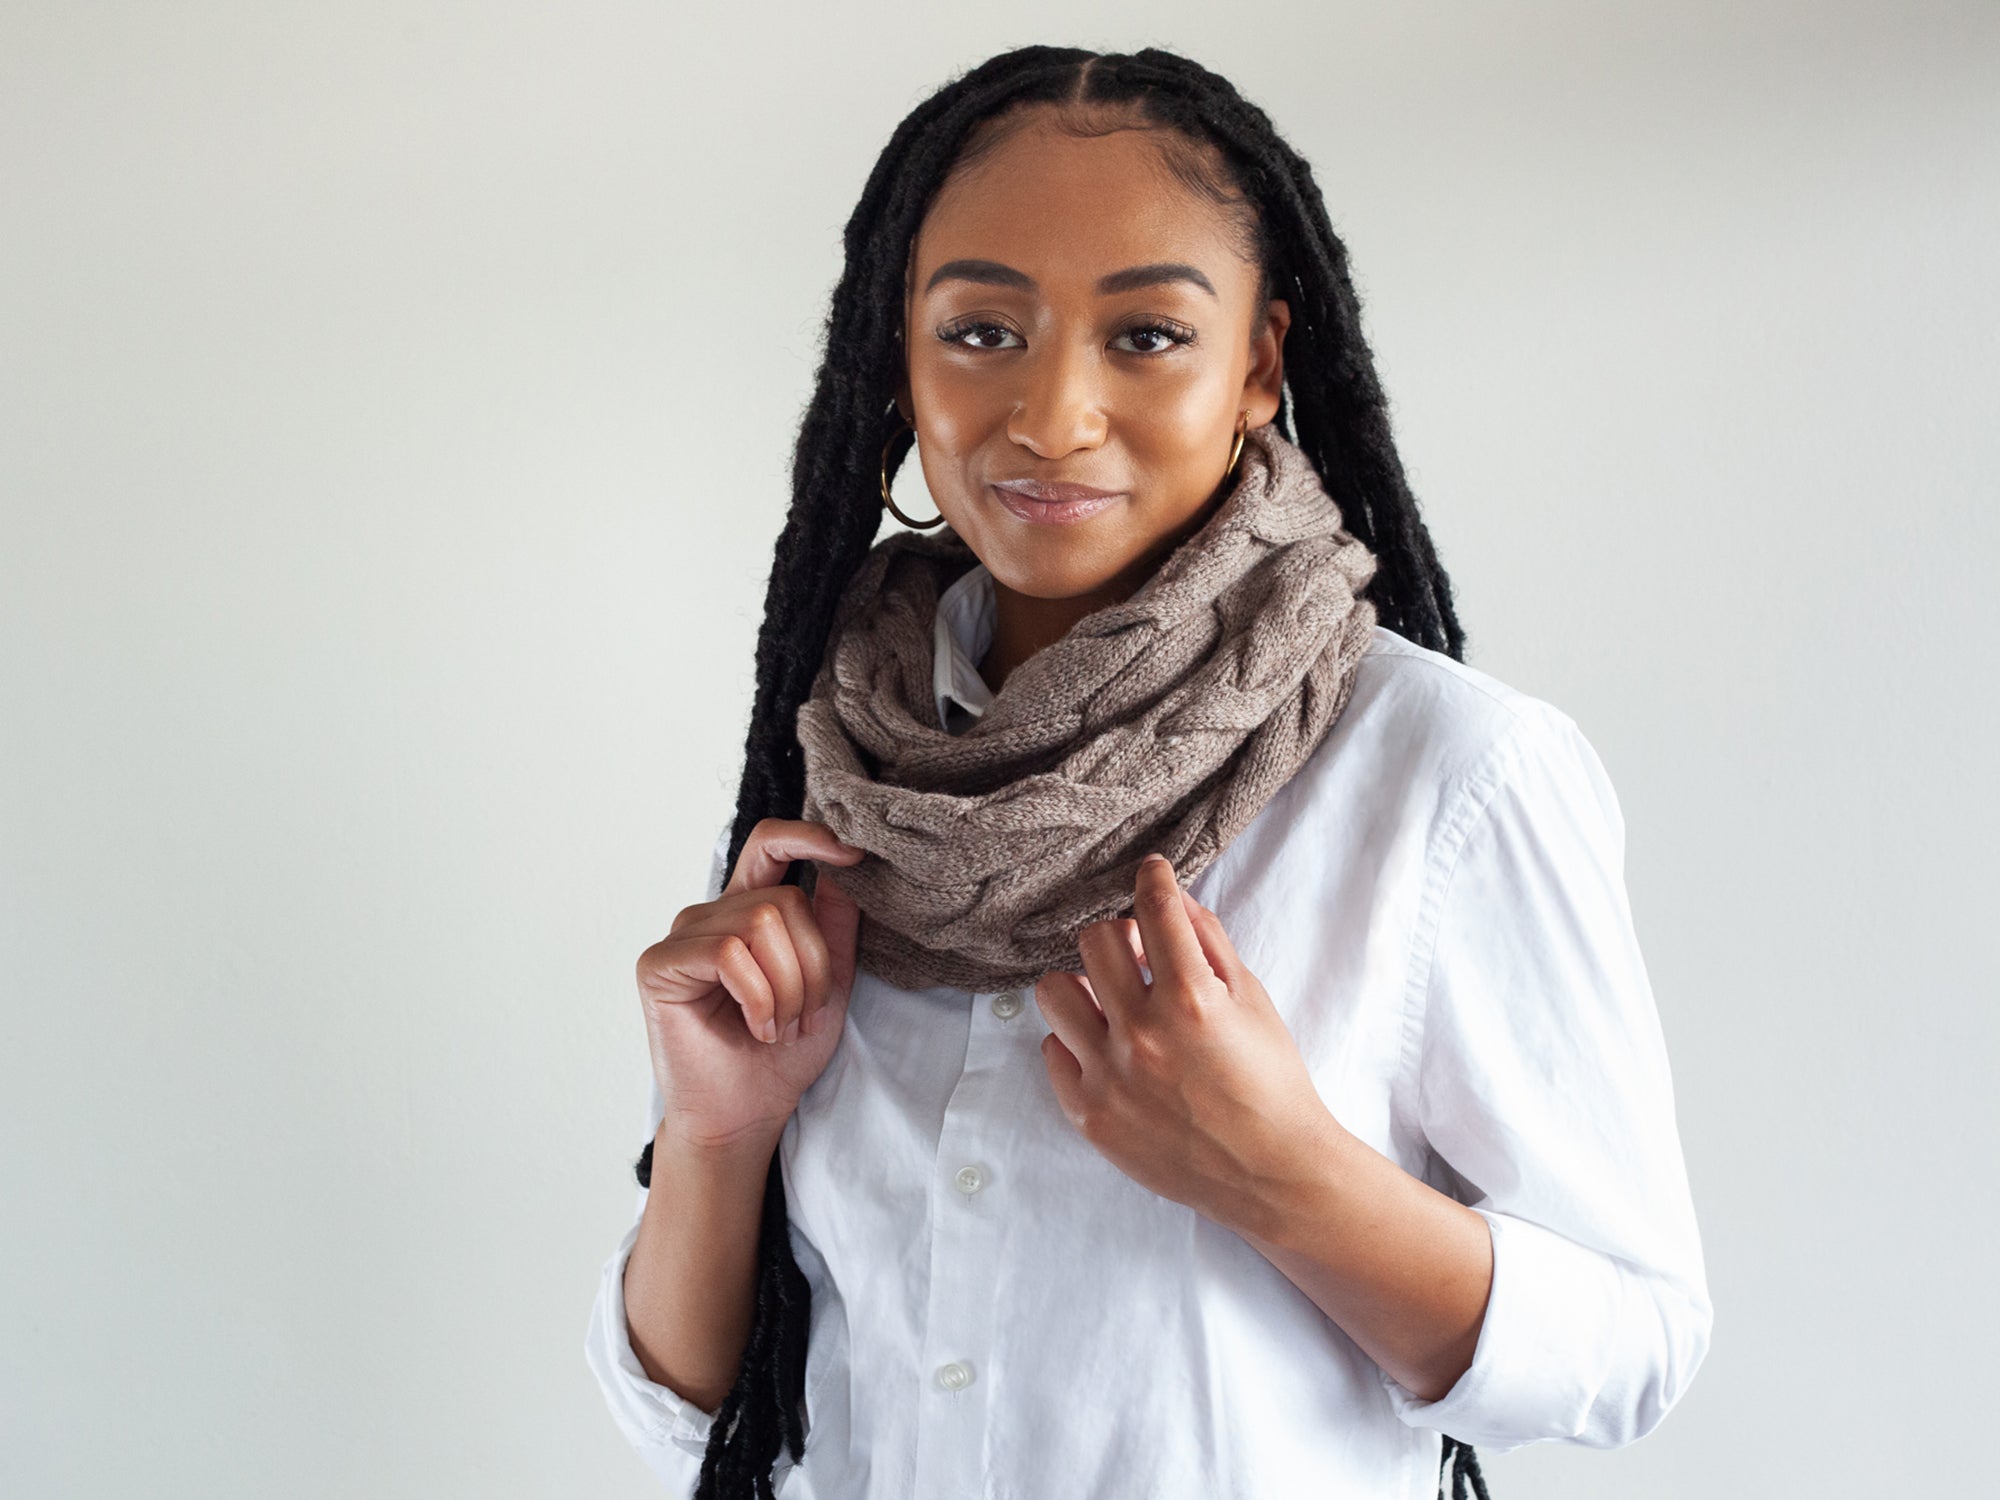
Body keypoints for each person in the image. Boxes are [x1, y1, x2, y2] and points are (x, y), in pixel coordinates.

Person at [584, 43, 1711, 1500]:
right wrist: (716, 1135)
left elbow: (1637, 1345)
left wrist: (1284, 1175)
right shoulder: (845, 772)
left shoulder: (1450, 775)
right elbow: (694, 1424)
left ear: (1259, 365)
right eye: (982, 331)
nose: (1052, 416)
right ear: (897, 360)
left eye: (1147, 336)